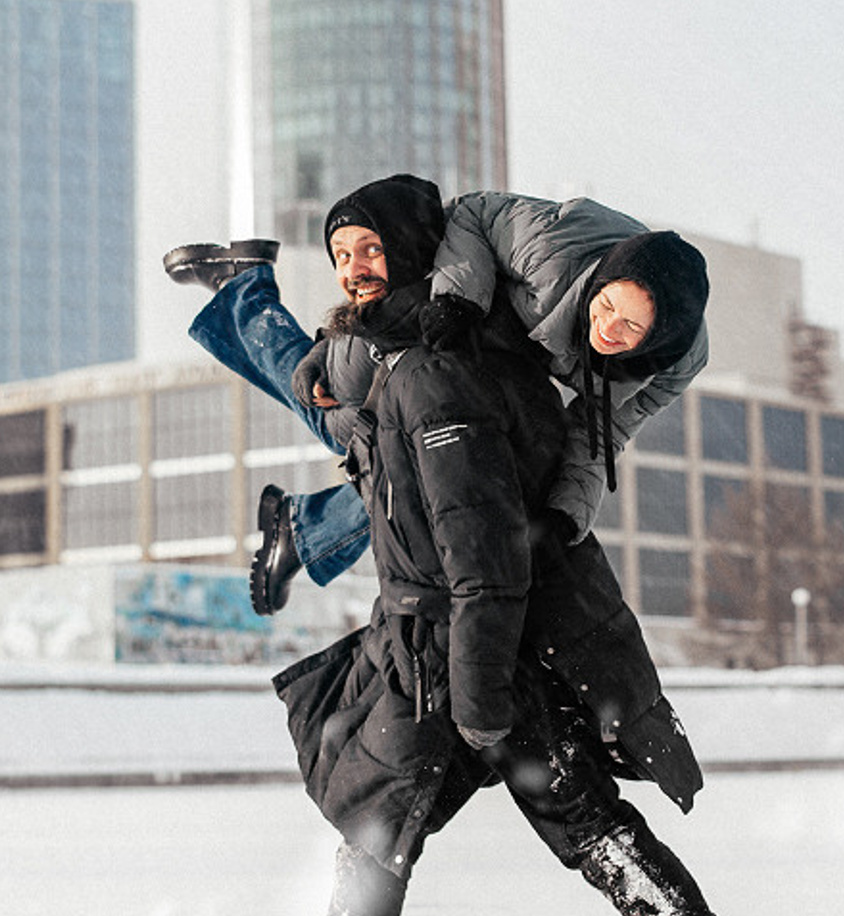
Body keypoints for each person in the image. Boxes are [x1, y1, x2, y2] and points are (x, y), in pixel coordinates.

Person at [206, 177, 824, 916]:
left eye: (372, 253)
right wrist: (311, 363)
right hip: (432, 640)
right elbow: (341, 400)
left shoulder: (440, 373)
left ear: (421, 261)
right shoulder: (411, 363)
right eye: (342, 258)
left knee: (584, 827)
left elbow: (486, 553)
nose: (355, 273)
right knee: (385, 817)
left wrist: (482, 691)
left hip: (483, 646)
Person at [165, 186, 711, 614]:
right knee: (343, 419)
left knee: (456, 471)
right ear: (601, 282)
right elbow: (470, 213)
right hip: (437, 312)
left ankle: (306, 526)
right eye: (608, 306)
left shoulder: (674, 365)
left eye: (631, 327)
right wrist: (452, 304)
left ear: (658, 338)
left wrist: (565, 518)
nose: (609, 328)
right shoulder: (552, 247)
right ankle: (247, 293)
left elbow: (600, 434)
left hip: (503, 368)